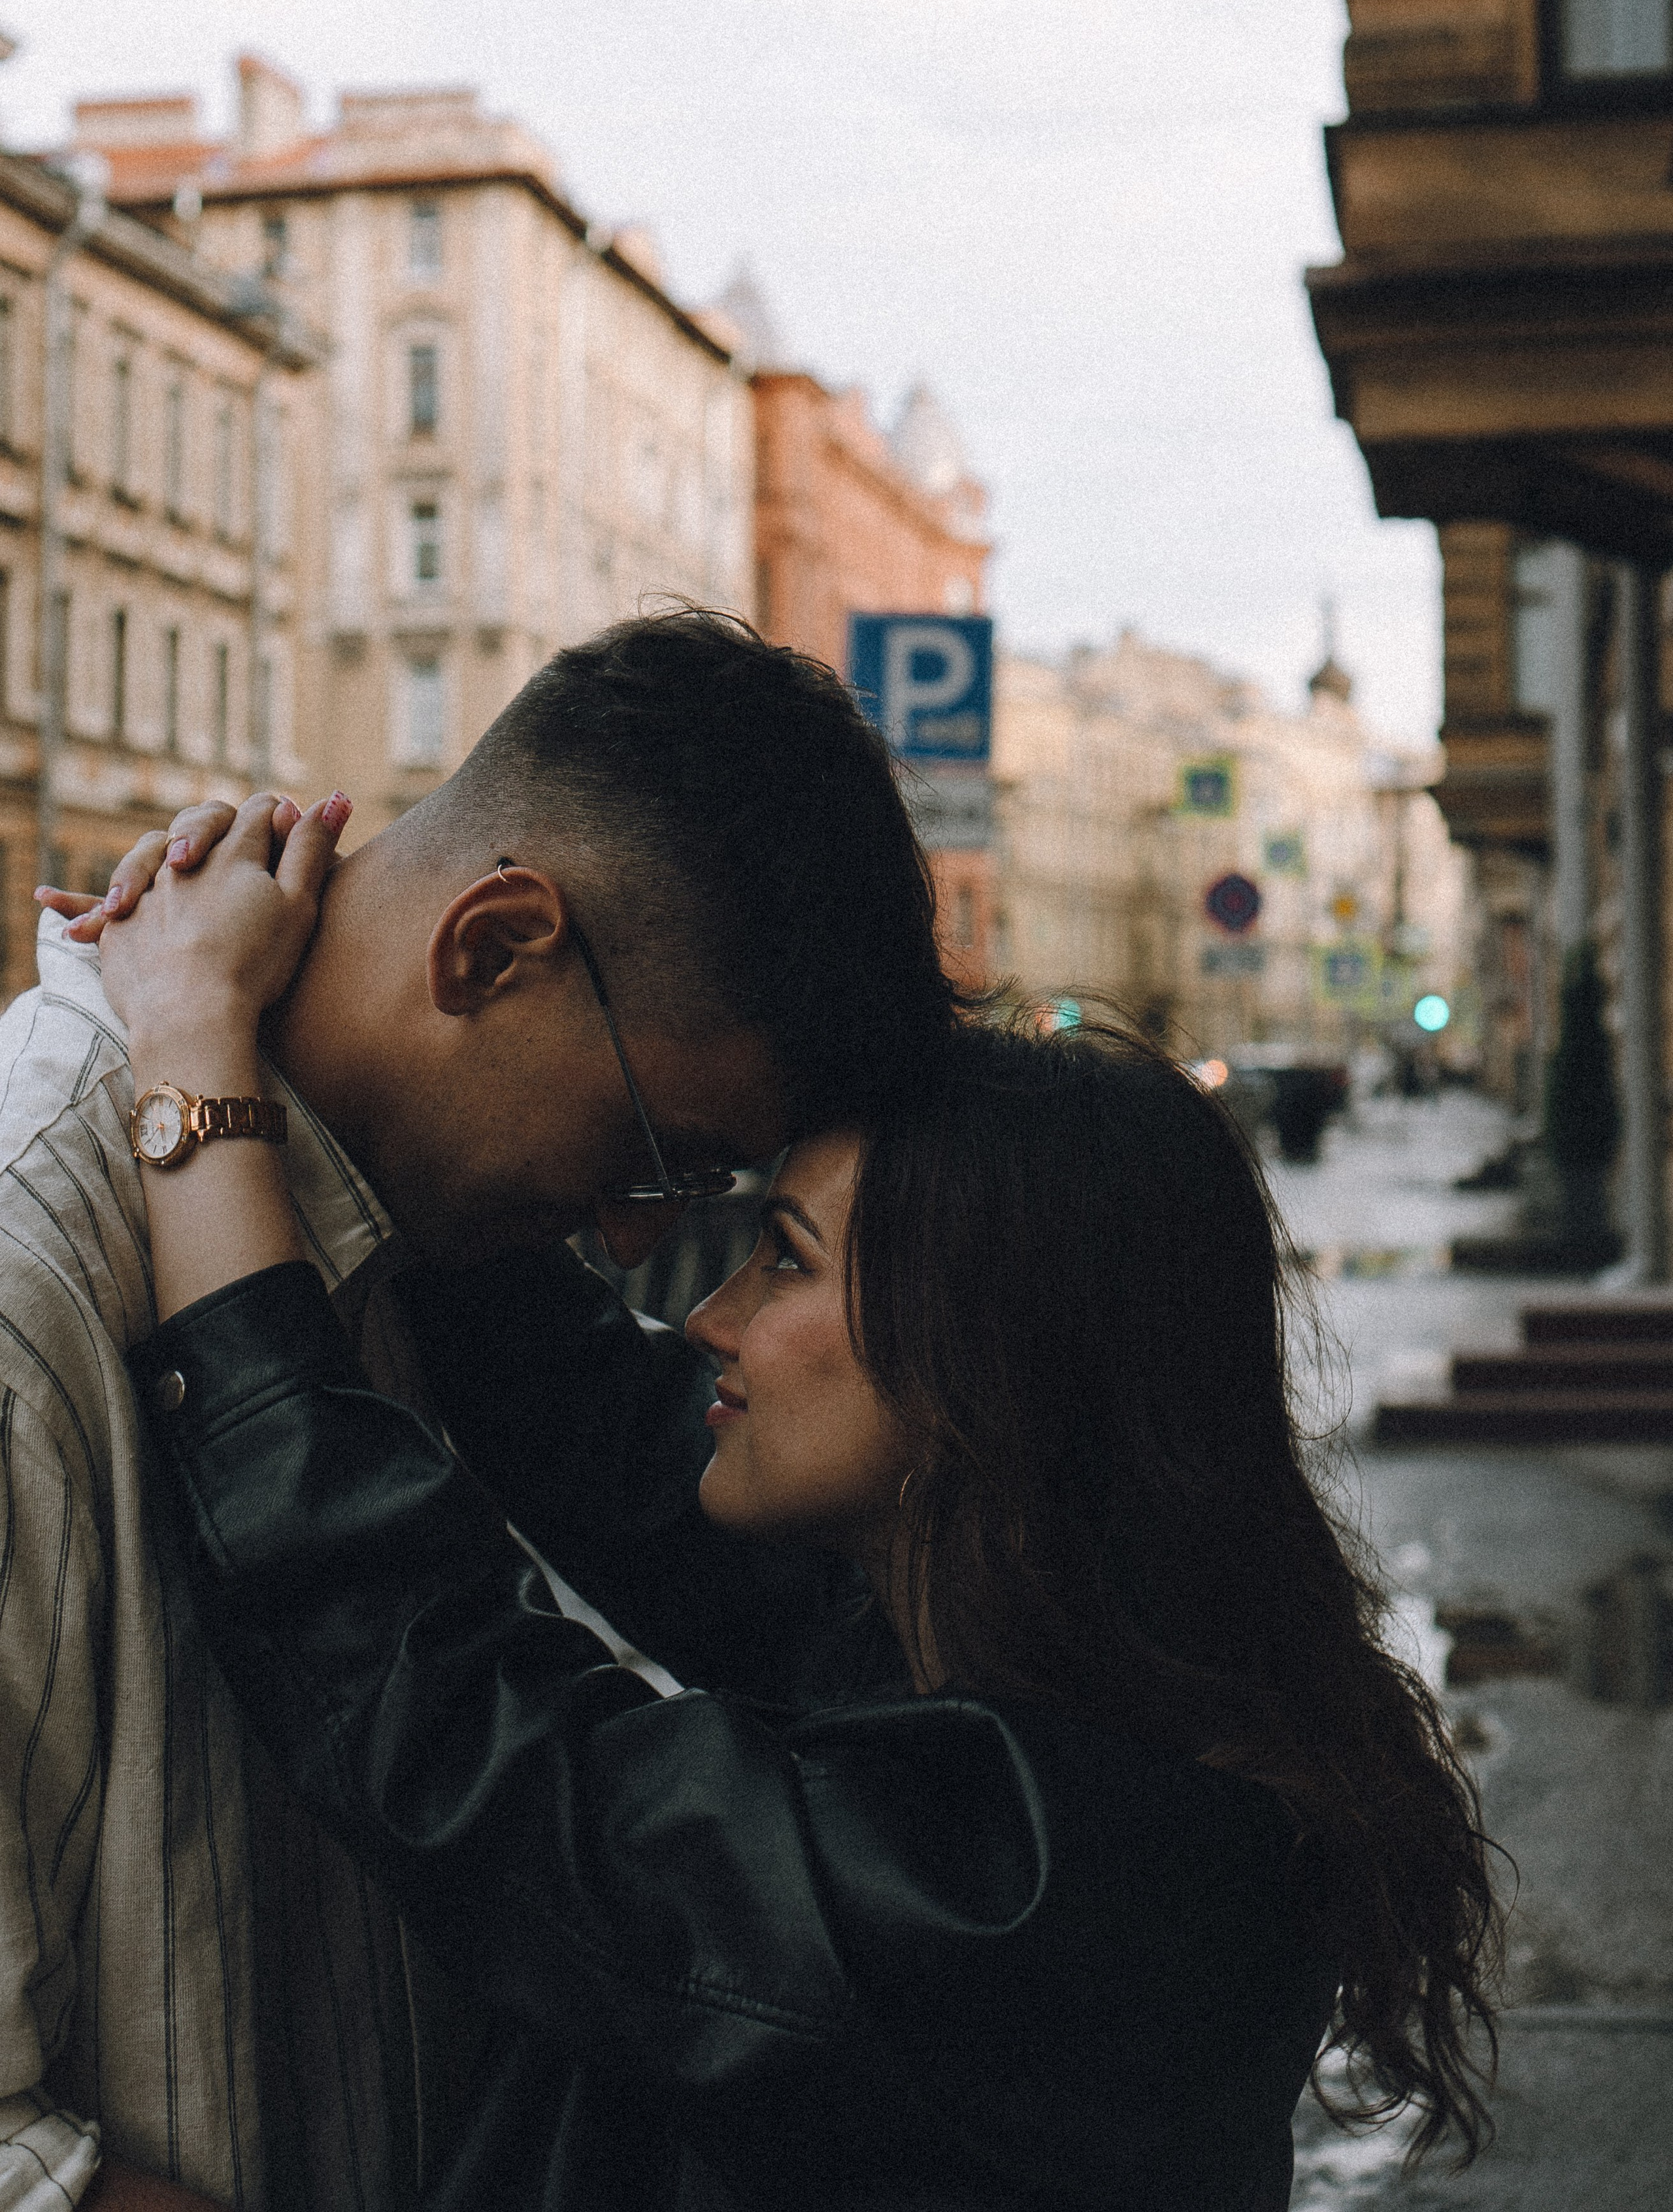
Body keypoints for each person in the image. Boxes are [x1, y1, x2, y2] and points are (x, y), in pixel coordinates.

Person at [88, 795, 1497, 2211]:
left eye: (784, 1256)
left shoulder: (1035, 1884)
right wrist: (374, 1031)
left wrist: (197, 1061)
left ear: (977, 1363)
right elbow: (594, 1424)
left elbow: (457, 1724)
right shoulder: (1012, 1647)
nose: (707, 1313)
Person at [0, 612, 955, 2211]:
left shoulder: (413, 1245)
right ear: (491, 949)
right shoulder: (31, 1279)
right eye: (665, 1154)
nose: (641, 1248)